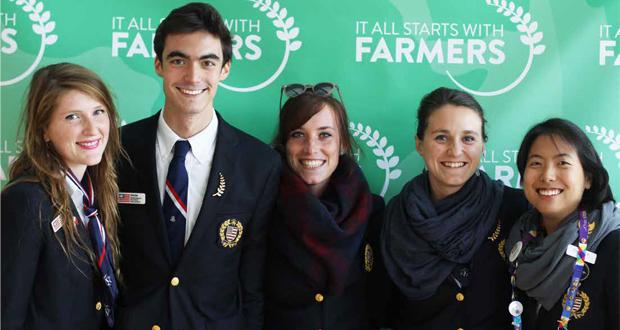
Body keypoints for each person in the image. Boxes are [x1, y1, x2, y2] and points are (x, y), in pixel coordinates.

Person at [115, 3, 281, 330]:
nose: (193, 76)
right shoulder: (116, 149)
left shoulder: (259, 164)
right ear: (158, 65)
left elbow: (252, 282)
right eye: (178, 60)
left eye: (208, 62)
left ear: (225, 69)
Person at [379, 87, 529, 329]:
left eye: (468, 138)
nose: (455, 151)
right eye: (441, 137)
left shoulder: (517, 208)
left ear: (482, 145)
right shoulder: (395, 216)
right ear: (419, 144)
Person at [1, 63, 122, 329]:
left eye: (98, 112)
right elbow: (7, 312)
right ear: (44, 130)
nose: (92, 129)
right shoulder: (26, 200)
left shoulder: (95, 193)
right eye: (72, 117)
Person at [264, 83, 385, 330]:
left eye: (325, 134)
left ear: (342, 144)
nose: (311, 148)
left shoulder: (372, 210)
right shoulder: (261, 207)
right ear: (284, 144)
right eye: (298, 134)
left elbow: (378, 301)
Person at [505, 118, 619, 330]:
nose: (547, 175)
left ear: (588, 178)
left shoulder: (613, 246)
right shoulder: (518, 240)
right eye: (536, 163)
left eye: (562, 163)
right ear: (522, 178)